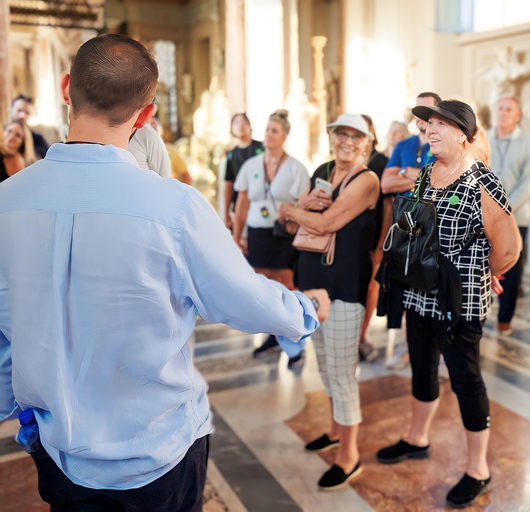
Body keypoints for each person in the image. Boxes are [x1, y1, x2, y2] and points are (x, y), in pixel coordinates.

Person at [0, 34, 330, 511]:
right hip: (157, 450)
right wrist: (306, 307)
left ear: (67, 88)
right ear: (146, 114)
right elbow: (243, 297)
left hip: (61, 449)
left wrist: (19, 408)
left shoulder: (7, 203)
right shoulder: (173, 207)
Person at [376, 100, 521, 508]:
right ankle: (417, 438)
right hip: (419, 292)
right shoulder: (426, 173)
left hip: (459, 303)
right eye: (429, 124)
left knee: (465, 380)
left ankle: (478, 468)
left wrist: (478, 271)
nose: (431, 130)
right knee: (421, 368)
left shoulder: (483, 181)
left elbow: (508, 248)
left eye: (441, 124)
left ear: (465, 135)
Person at [278, 113, 380, 491]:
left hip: (343, 287)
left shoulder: (366, 180)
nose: (348, 142)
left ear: (367, 143)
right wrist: (297, 209)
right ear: (332, 136)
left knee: (341, 372)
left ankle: (349, 456)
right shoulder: (322, 169)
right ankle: (336, 430)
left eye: (356, 136)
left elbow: (323, 224)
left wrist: (291, 208)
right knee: (323, 364)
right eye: (342, 134)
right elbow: (289, 226)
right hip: (312, 282)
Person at [232, 110, 310, 365]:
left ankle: (295, 341)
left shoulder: (296, 168)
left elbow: (305, 205)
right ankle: (273, 337)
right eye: (267, 130)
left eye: (274, 131)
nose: (268, 134)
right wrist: (236, 236)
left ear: (285, 135)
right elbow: (242, 203)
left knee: (288, 287)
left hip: (284, 234)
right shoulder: (251, 165)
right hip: (257, 233)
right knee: (264, 288)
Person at [380, 92, 442, 370]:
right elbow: (384, 184)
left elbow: (441, 183)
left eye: (427, 111)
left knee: (433, 288)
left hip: (435, 230)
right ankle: (408, 347)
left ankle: (437, 350)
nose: (421, 117)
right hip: (404, 230)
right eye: (417, 111)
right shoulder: (403, 145)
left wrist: (407, 175)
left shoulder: (443, 145)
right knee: (404, 291)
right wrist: (417, 176)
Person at [487, 95, 530, 334]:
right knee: (479, 266)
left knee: (509, 270)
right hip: (482, 215)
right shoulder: (482, 138)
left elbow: (529, 184)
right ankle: (475, 315)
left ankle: (504, 321)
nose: (503, 113)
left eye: (509, 109)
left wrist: (503, 209)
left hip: (515, 217)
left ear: (517, 115)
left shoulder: (529, 144)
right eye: (500, 108)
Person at [358, 114, 390, 361]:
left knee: (371, 285)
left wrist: (381, 244)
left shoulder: (382, 161)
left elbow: (388, 206)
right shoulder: (346, 159)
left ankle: (362, 336)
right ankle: (350, 335)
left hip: (375, 232)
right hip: (351, 234)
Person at [224, 113, 265, 229]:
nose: (240, 126)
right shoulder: (231, 154)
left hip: (259, 202)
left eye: (243, 122)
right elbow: (228, 183)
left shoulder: (262, 148)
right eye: (236, 123)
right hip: (239, 204)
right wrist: (226, 211)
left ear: (249, 125)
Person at [148, 116, 192, 184]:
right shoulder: (137, 152)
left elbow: (187, 177)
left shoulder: (171, 151)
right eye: (148, 125)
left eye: (154, 125)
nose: (152, 127)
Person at [10, 95, 48, 160]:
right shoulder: (2, 135)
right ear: (11, 109)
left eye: (27, 113)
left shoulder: (37, 140)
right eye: (19, 110)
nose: (22, 116)